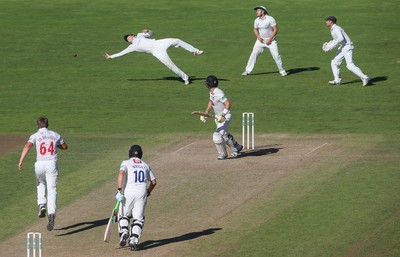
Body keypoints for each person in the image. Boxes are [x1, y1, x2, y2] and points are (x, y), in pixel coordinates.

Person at [18, 116, 68, 231]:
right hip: (51, 164)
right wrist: (57, 145)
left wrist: (21, 160)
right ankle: (51, 214)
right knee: (52, 189)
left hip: (39, 164)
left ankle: (41, 205)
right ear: (47, 124)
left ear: (37, 125)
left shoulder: (35, 136)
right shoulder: (55, 135)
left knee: (40, 184)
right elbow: (65, 146)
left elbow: (27, 146)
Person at [104, 29, 203, 85]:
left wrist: (149, 31)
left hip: (159, 43)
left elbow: (152, 34)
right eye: (127, 39)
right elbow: (122, 53)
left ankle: (195, 51)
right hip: (156, 51)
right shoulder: (132, 47)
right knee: (171, 66)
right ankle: (185, 78)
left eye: (128, 37)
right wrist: (111, 56)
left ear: (131, 35)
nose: (128, 39)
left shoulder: (139, 35)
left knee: (177, 40)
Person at [115, 145, 157, 251]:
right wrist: (148, 191)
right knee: (138, 219)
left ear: (130, 153)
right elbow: (153, 182)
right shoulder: (145, 165)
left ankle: (124, 231)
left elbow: (121, 174)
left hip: (129, 192)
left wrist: (119, 190)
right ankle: (133, 240)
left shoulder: (125, 162)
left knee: (123, 215)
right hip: (142, 192)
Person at [200, 75, 243, 160]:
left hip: (225, 116)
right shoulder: (212, 92)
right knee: (224, 135)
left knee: (217, 135)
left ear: (209, 84)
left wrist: (223, 115)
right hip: (218, 117)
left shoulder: (219, 92)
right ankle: (237, 148)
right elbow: (211, 101)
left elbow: (228, 104)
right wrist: (206, 113)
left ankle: (223, 154)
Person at [322, 16, 370, 86]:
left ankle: (364, 77)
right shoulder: (333, 29)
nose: (326, 22)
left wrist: (333, 45)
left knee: (350, 65)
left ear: (331, 22)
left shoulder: (336, 29)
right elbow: (338, 39)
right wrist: (331, 43)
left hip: (347, 47)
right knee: (334, 62)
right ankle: (337, 80)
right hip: (343, 47)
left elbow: (341, 38)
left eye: (327, 20)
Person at [242, 6, 287, 77]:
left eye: (258, 11)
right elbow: (255, 29)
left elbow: (275, 29)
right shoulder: (256, 20)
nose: (256, 12)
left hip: (271, 40)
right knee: (253, 54)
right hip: (260, 40)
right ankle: (247, 71)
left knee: (276, 56)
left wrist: (270, 39)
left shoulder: (270, 19)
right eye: (256, 11)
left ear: (263, 12)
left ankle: (282, 71)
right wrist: (258, 37)